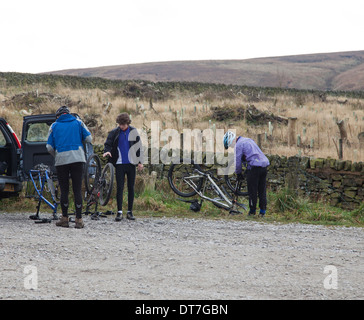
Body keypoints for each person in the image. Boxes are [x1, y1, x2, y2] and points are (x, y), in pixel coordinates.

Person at [46, 106, 92, 228]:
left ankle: (65, 218)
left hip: (61, 160)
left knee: (64, 189)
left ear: (58, 116)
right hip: (77, 158)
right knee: (77, 189)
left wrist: (57, 154)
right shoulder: (78, 122)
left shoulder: (54, 126)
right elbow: (89, 138)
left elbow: (49, 147)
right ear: (69, 114)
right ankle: (79, 220)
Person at [103, 113, 143, 221]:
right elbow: (108, 144)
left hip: (131, 164)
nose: (121, 126)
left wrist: (140, 162)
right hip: (119, 164)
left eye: (123, 124)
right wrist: (107, 152)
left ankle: (130, 212)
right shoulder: (114, 132)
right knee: (120, 188)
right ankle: (119, 212)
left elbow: (139, 147)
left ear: (128, 123)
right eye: (120, 124)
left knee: (131, 188)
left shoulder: (133, 132)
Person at [223, 131, 270, 217]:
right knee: (262, 191)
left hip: (254, 168)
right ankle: (262, 212)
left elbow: (237, 162)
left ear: (232, 141)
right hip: (264, 165)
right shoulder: (248, 140)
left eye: (230, 145)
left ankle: (252, 212)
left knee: (252, 191)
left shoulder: (238, 145)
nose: (232, 147)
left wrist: (238, 173)